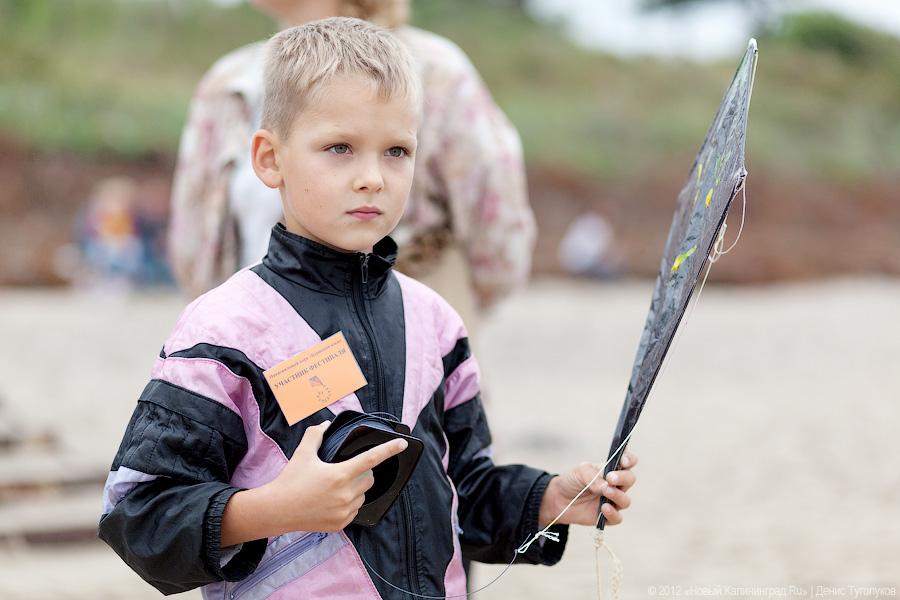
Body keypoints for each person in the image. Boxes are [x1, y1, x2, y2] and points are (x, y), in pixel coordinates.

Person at [99, 18, 636, 598]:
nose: (372, 178)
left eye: (397, 151)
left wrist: (550, 498)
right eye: (339, 148)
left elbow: (464, 493)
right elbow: (138, 514)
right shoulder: (225, 329)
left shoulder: (436, 323)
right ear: (269, 159)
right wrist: (272, 509)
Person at [167, 0, 536, 331]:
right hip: (259, 337)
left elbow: (496, 222)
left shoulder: (434, 70)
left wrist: (448, 307)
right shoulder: (229, 82)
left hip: (408, 329)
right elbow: (194, 237)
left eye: (396, 152)